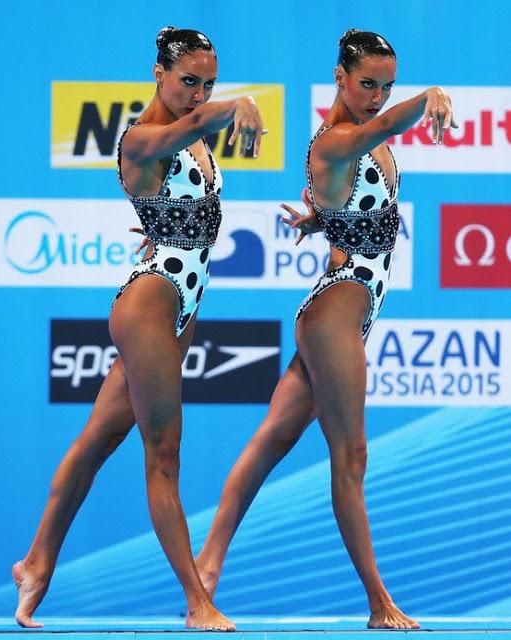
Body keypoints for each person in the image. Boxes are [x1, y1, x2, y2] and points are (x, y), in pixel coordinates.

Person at [195, 29, 456, 629]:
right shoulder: (339, 139)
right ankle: (378, 603)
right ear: (339, 77)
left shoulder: (350, 146)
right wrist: (427, 97)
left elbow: (352, 205)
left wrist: (320, 221)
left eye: (388, 87)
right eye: (367, 84)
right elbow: (373, 134)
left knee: (271, 441)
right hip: (337, 312)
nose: (376, 95)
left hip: (339, 307)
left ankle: (207, 565)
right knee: (351, 455)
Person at [12, 26, 265, 631]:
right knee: (164, 455)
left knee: (96, 441)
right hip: (151, 304)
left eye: (209, 83)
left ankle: (36, 562)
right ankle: (197, 601)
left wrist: (164, 227)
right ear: (158, 73)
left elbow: (181, 205)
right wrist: (235, 105)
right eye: (188, 81)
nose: (199, 93)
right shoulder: (143, 136)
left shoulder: (191, 132)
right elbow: (180, 135)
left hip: (179, 299)